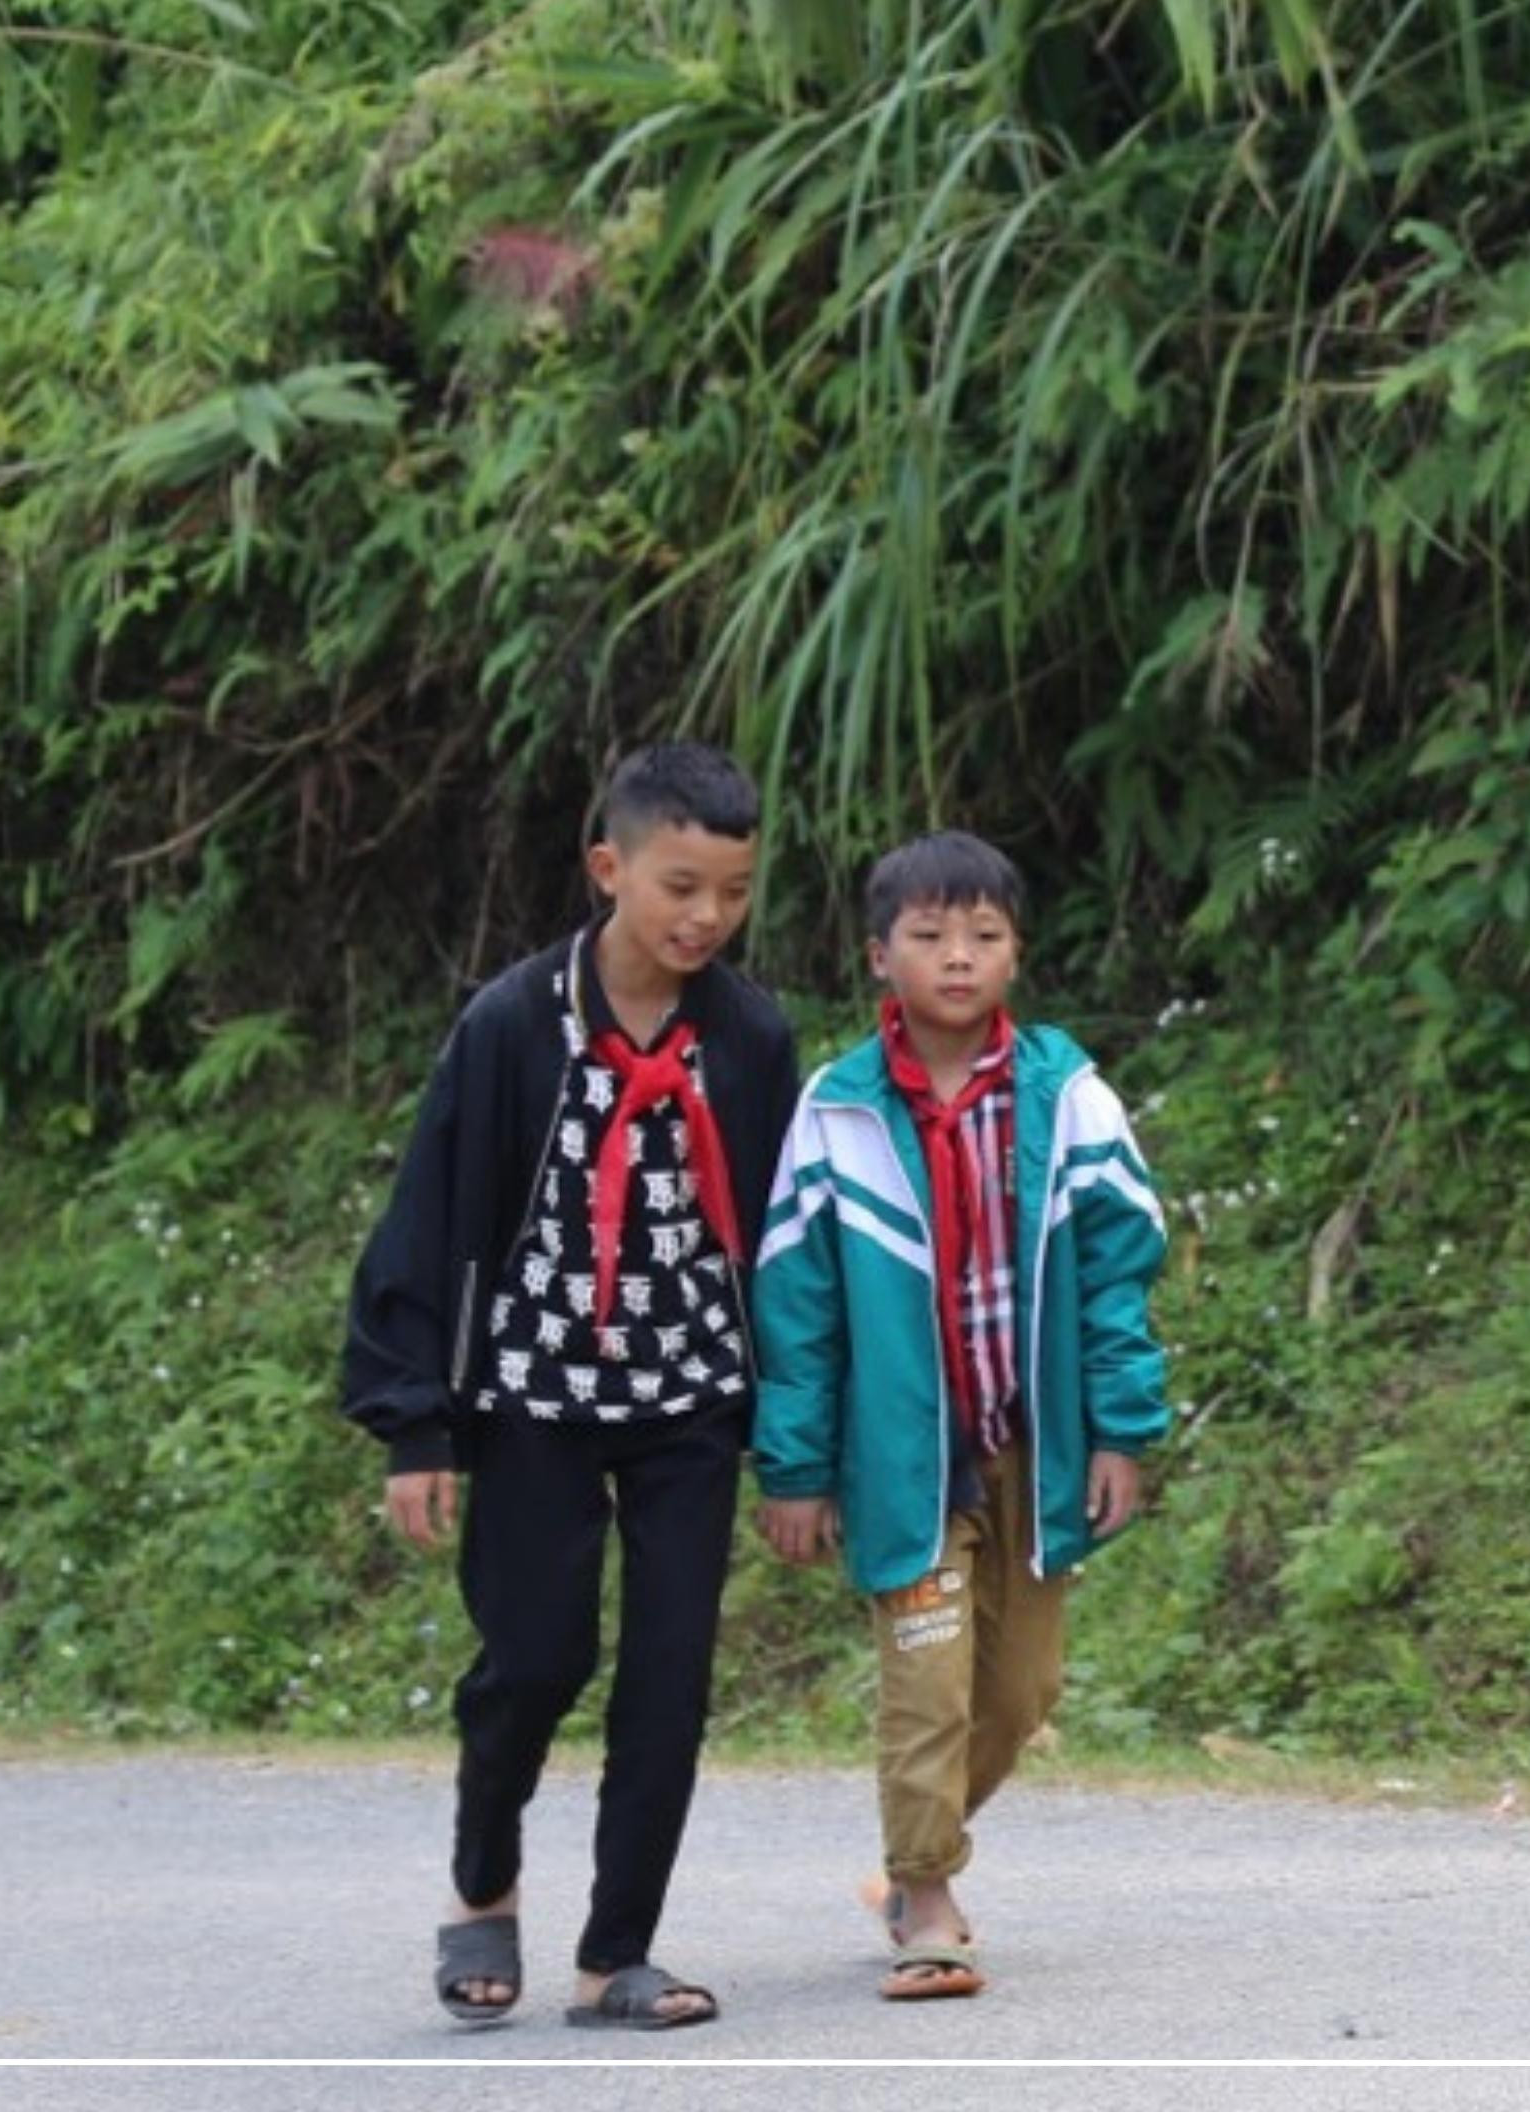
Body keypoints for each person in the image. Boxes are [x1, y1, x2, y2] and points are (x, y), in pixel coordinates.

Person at [341, 738, 803, 2032]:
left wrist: (796, 1445)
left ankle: (617, 1955)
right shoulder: (508, 1025)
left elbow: (777, 1242)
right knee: (534, 1660)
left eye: (733, 891)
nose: (706, 916)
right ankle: (483, 1881)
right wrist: (415, 1425)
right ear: (609, 868)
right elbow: (432, 1216)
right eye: (679, 886)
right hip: (534, 1394)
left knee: (672, 1673)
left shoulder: (752, 1037)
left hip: (692, 1402)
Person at [750, 829, 1171, 2002]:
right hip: (902, 1457)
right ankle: (925, 1897)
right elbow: (798, 1305)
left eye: (983, 936)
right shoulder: (835, 1112)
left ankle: (918, 1850)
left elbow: (1116, 1280)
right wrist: (795, 1468)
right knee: (926, 1680)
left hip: (1032, 1450)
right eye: (929, 936)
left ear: (1016, 954)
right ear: (879, 954)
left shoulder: (1069, 1098)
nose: (957, 957)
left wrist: (1123, 1433)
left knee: (1021, 1693)